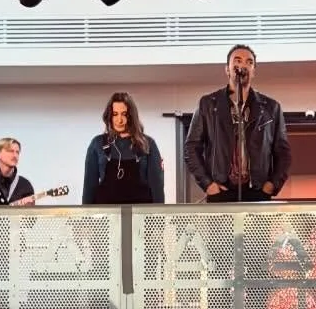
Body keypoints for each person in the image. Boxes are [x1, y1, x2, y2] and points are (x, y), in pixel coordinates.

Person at [183, 45, 291, 202]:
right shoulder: (208, 104)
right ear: (227, 69)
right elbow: (191, 148)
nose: (243, 65)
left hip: (257, 191)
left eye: (249, 62)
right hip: (220, 190)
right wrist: (208, 184)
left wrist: (272, 185)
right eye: (237, 60)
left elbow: (283, 153)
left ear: (254, 70)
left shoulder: (271, 107)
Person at [82, 92, 165, 204]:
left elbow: (157, 189)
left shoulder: (148, 144)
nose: (119, 120)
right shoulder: (97, 144)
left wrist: (158, 219)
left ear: (131, 116)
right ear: (109, 116)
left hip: (139, 218)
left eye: (124, 114)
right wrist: (87, 219)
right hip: (106, 218)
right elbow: (89, 188)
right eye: (115, 114)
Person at [0, 137, 36, 204]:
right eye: (10, 151)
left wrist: (26, 209)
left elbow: (30, 213)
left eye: (17, 152)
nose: (15, 155)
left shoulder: (25, 185)